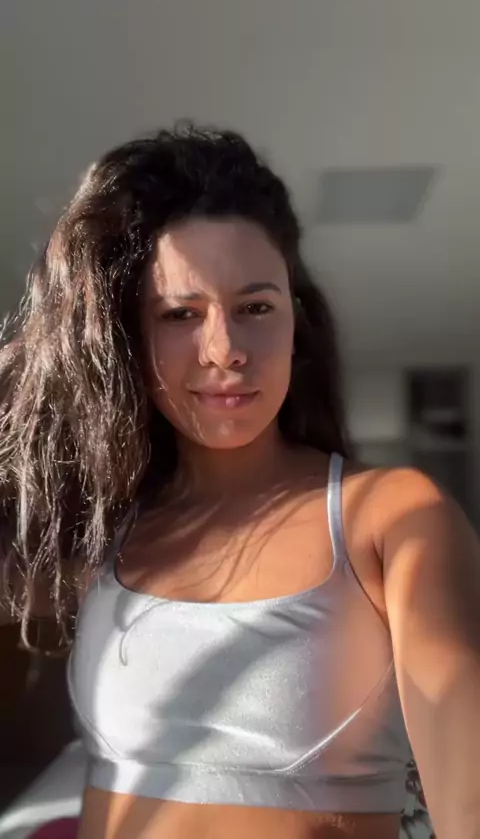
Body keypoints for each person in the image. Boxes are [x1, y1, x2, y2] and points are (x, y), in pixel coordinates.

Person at [0, 125, 479, 839]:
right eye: (180, 314)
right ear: (127, 339)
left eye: (255, 307)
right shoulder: (112, 528)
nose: (225, 350)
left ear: (295, 324)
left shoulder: (391, 518)